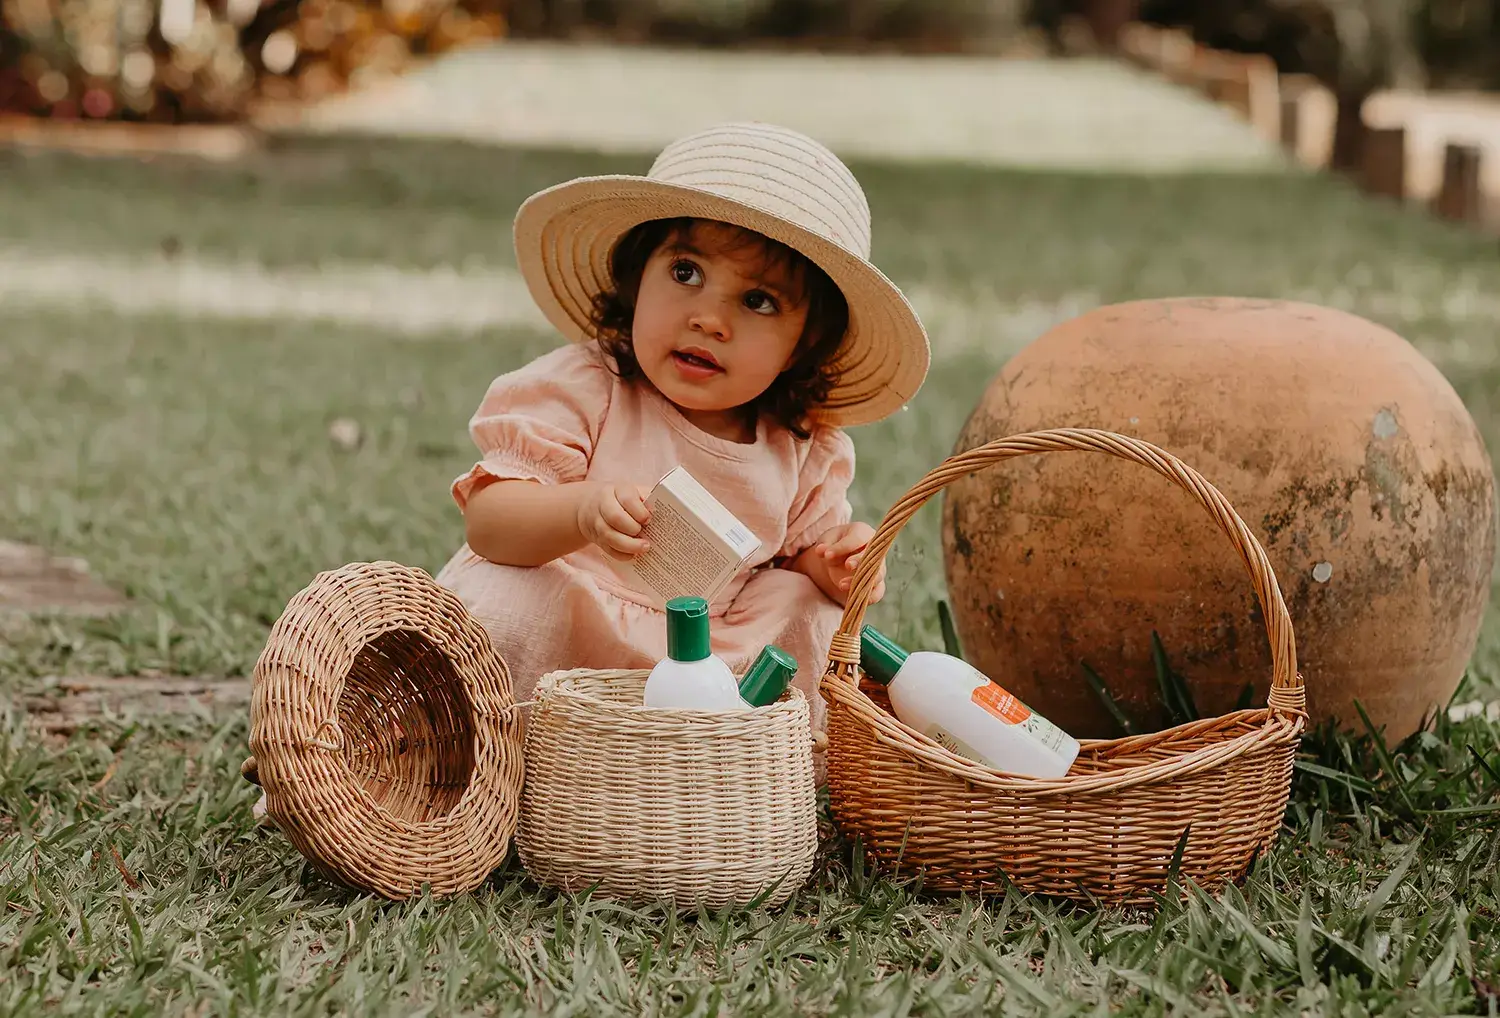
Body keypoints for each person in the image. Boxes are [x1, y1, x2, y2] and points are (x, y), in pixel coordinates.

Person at [435, 122, 929, 771]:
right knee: (510, 593)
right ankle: (478, 756)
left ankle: (749, 772)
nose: (709, 318)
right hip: (570, 642)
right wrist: (581, 511)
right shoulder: (590, 388)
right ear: (637, 277)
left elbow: (798, 557)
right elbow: (489, 526)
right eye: (686, 271)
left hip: (707, 674)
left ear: (804, 344)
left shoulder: (800, 446)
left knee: (811, 609)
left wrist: (831, 566)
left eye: (757, 300)